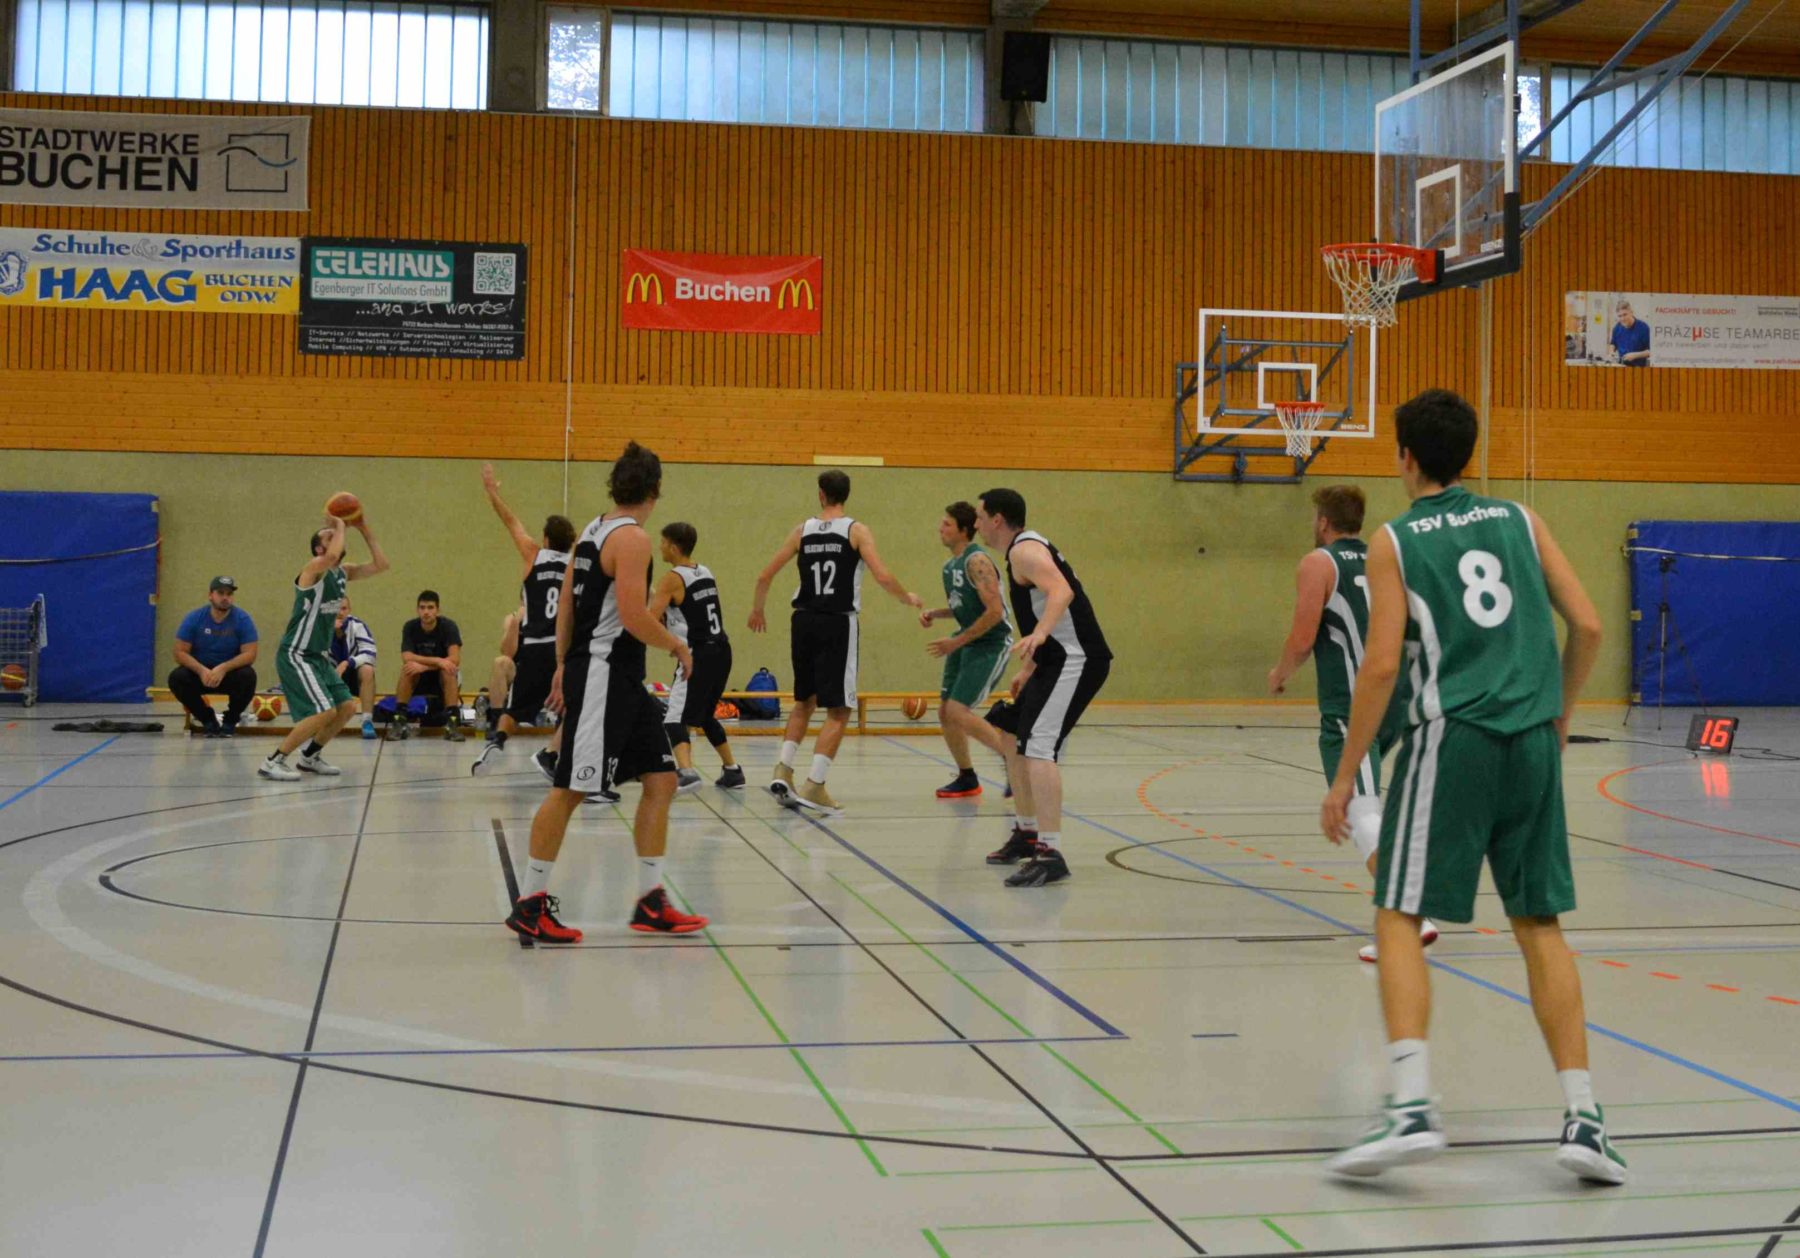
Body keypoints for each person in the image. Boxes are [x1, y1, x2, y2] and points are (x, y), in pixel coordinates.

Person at [1318, 388, 1622, 1186]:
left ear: (1405, 457)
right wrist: (1557, 715)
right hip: (1531, 740)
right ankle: (1585, 1119)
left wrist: (1347, 777)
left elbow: (1382, 666)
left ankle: (1413, 1105)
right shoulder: (1522, 520)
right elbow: (1588, 626)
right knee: (1539, 924)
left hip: (1452, 738)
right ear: (1470, 452)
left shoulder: (1394, 539)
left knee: (1395, 907)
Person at [504, 441, 708, 942]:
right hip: (603, 673)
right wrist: (678, 645)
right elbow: (636, 616)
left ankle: (650, 900)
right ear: (655, 489)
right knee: (571, 787)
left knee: (662, 780)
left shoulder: (593, 530)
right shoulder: (634, 540)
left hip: (614, 676)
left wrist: (559, 664)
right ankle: (530, 902)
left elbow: (567, 612)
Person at [1268, 485, 1438, 964]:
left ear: (1323, 522)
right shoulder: (1389, 557)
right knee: (1375, 803)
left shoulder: (1319, 563)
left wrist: (1281, 672)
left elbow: (1303, 636)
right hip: (1403, 698)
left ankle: (1408, 919)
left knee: (1358, 808)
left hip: (1353, 705)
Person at [748, 469, 921, 816]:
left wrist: (758, 610)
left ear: (821, 495)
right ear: (845, 495)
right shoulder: (856, 530)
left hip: (803, 620)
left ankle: (783, 770)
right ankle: (815, 784)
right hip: (837, 622)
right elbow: (883, 575)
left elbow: (764, 574)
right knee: (840, 710)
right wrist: (908, 598)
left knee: (804, 701)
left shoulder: (802, 531)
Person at [973, 489, 1112, 888]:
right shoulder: (1020, 551)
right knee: (1010, 730)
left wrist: (1039, 636)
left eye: (981, 517)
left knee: (1039, 746)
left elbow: (1062, 592)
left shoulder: (1024, 551)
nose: (978, 523)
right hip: (1055, 658)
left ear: (997, 520)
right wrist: (1031, 667)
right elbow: (1043, 605)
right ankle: (1027, 831)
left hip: (1077, 658)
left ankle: (1050, 853)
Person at [259, 512, 389, 780]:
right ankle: (273, 760)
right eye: (329, 536)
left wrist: (364, 527)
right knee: (324, 711)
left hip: (317, 656)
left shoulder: (342, 573)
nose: (336, 535)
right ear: (319, 549)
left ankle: (309, 757)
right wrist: (341, 524)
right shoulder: (312, 570)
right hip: (297, 654)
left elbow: (381, 564)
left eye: (335, 533)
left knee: (346, 707)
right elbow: (330, 558)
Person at [471, 464, 576, 780]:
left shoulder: (533, 555)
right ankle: (556, 756)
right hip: (562, 650)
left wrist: (492, 492)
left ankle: (497, 741)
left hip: (533, 648)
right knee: (573, 706)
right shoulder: (575, 565)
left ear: (545, 538)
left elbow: (510, 521)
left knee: (514, 709)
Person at [919, 502, 1012, 798]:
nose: (940, 529)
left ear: (963, 529)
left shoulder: (977, 561)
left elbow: (994, 612)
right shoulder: (950, 566)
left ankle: (1014, 761)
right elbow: (965, 608)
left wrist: (955, 643)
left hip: (990, 642)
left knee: (959, 711)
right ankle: (967, 777)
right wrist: (936, 613)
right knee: (946, 711)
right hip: (967, 640)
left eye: (946, 524)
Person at [647, 522, 745, 792]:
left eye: (663, 542)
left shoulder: (671, 578)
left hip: (697, 654)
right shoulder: (704, 571)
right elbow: (692, 611)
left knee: (673, 718)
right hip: (722, 651)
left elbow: (651, 619)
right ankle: (732, 771)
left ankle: (687, 773)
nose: (660, 546)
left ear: (674, 547)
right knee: (703, 715)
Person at [169, 576, 259, 737]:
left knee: (248, 676)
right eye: (221, 593)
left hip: (228, 675)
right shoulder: (194, 618)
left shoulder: (242, 619)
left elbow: (250, 654)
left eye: (229, 594)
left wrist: (224, 668)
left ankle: (230, 720)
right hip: (201, 674)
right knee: (177, 678)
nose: (225, 597)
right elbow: (179, 652)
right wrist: (201, 670)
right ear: (210, 595)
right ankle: (207, 719)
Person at [395, 590, 463, 739]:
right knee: (408, 669)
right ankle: (399, 721)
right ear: (417, 610)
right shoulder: (410, 627)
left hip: (441, 678)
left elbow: (454, 658)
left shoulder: (449, 627)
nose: (426, 612)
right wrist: (438, 660)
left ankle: (452, 723)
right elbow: (407, 656)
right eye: (422, 607)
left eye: (430, 607)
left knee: (449, 669)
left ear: (438, 610)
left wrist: (426, 666)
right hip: (418, 678)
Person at [330, 595, 379, 739]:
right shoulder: (319, 628)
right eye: (336, 609)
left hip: (352, 672)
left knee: (367, 670)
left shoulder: (358, 625)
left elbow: (370, 653)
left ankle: (366, 721)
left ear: (349, 610)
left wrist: (347, 663)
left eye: (344, 608)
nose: (340, 613)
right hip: (329, 673)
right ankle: (316, 719)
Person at [1609, 301, 1650, 366]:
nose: (1622, 319)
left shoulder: (1643, 328)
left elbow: (1651, 352)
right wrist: (1611, 353)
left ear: (1631, 313)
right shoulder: (1617, 328)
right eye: (1619, 316)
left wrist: (1635, 355)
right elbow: (1613, 343)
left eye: (1625, 314)